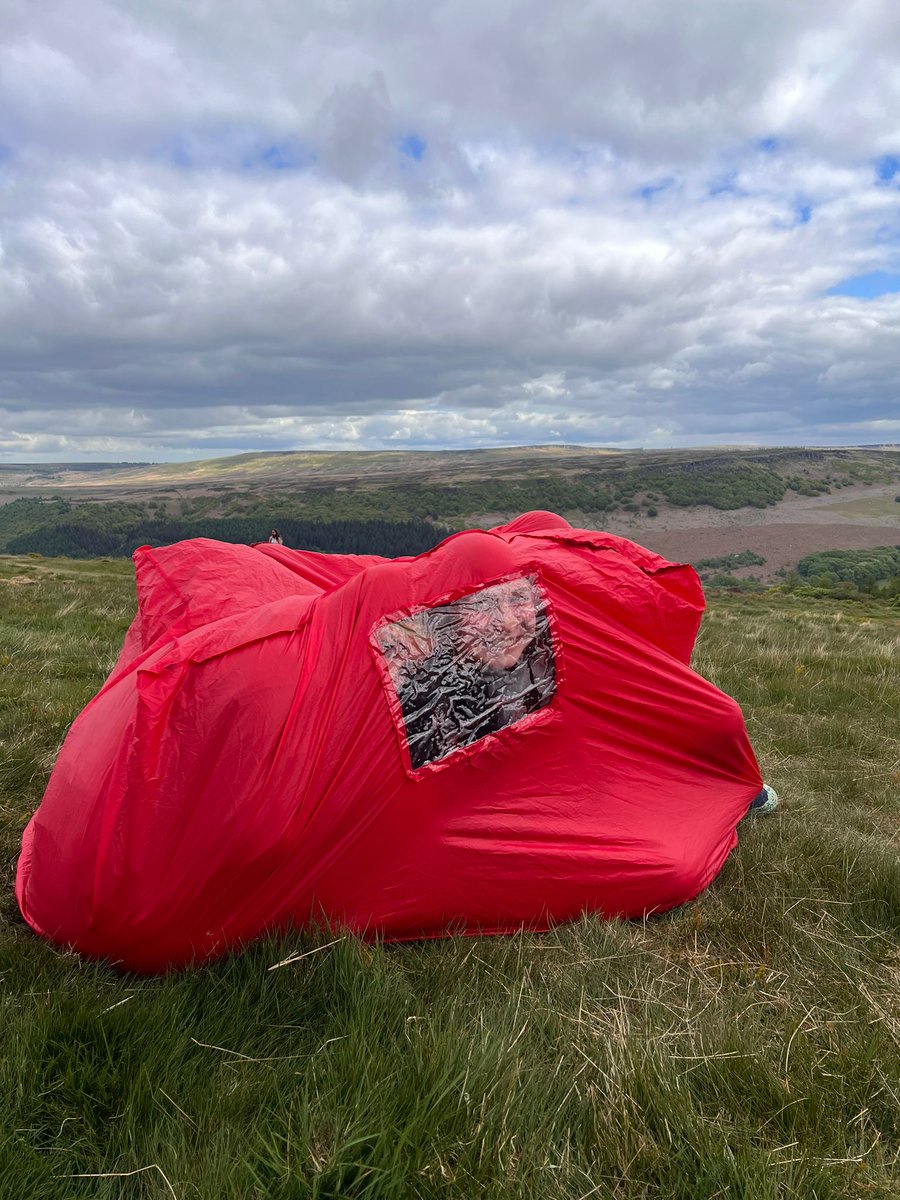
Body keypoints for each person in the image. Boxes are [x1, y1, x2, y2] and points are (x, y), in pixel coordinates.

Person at [377, 577, 556, 770]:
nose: (508, 622)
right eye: (483, 603)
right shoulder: (419, 699)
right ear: (450, 614)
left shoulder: (554, 663)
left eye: (518, 598)